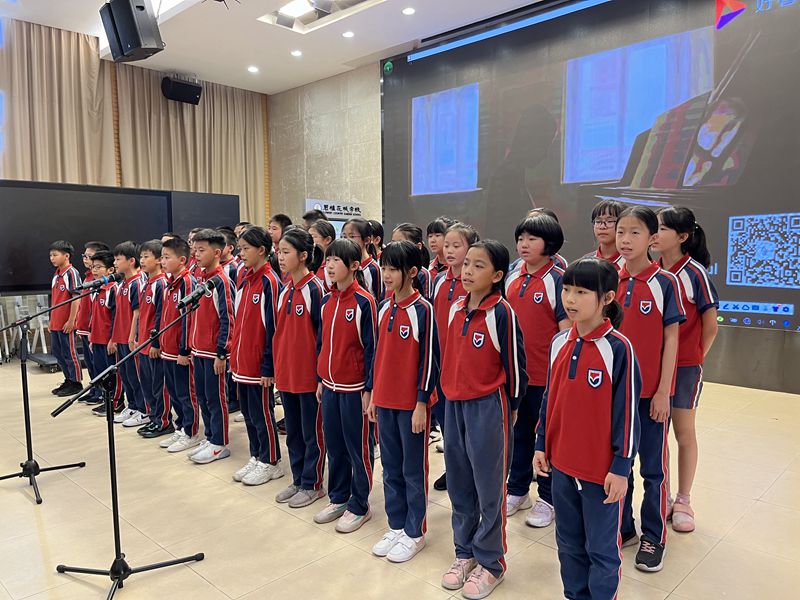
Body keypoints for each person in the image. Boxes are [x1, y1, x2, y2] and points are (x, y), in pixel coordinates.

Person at [534, 257, 642, 600]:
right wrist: (541, 444)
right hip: (561, 467)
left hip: (600, 474)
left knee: (602, 550)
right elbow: (549, 399)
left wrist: (621, 468)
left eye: (581, 292)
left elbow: (627, 415)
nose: (570, 299)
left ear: (607, 297)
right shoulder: (559, 342)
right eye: (567, 289)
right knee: (568, 544)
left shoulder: (619, 348)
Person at [439, 240, 527, 599]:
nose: (468, 271)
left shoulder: (501, 312)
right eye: (467, 264)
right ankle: (465, 552)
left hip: (488, 407)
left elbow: (515, 366)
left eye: (479, 266)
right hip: (454, 405)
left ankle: (491, 562)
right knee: (459, 483)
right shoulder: (455, 308)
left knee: (489, 487)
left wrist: (512, 406)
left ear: (497, 275)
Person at [616, 206, 685, 572]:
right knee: (619, 464)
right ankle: (624, 527)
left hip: (650, 396)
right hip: (616, 397)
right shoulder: (608, 277)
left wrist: (663, 392)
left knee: (653, 470)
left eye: (635, 233)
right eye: (621, 232)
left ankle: (654, 535)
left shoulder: (665, 283)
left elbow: (672, 339)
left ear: (651, 238)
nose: (625, 240)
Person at [367, 240, 440, 563]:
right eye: (384, 268)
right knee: (391, 468)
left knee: (413, 470)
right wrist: (373, 393)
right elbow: (377, 355)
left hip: (411, 406)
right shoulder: (384, 307)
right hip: (385, 401)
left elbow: (429, 361)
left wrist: (422, 403)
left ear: (411, 272)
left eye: (393, 269)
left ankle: (415, 531)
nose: (386, 275)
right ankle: (396, 525)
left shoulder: (424, 310)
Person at [653, 206, 718, 533]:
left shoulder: (695, 273)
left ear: (682, 236)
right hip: (654, 368)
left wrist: (694, 357)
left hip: (686, 368)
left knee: (684, 432)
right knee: (657, 434)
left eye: (662, 228)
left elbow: (710, 325)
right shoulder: (652, 271)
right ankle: (662, 495)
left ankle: (683, 499)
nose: (655, 233)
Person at [504, 215, 570, 528]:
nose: (524, 245)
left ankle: (548, 497)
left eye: (532, 239)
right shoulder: (512, 275)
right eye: (521, 239)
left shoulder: (558, 279)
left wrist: (562, 374)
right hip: (517, 375)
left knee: (547, 439)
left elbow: (566, 330)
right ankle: (518, 490)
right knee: (518, 434)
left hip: (547, 376)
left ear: (549, 243)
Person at [313, 238, 377, 534]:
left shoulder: (364, 302)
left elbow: (372, 349)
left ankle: (360, 504)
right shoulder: (327, 301)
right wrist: (320, 379)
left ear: (353, 266)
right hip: (329, 387)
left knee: (357, 448)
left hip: (355, 390)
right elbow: (322, 343)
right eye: (327, 260)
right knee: (334, 446)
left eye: (336, 260)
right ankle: (338, 497)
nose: (329, 265)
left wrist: (369, 389)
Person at [272, 228, 327, 508]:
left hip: (308, 377)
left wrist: (319, 377)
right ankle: (297, 479)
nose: (280, 257)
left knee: (311, 432)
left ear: (303, 255)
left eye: (286, 252)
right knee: (293, 432)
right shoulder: (284, 290)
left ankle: (312, 483)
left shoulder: (315, 290)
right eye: (279, 252)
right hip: (287, 374)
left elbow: (322, 338)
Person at [229, 226, 284, 486]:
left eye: (245, 249)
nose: (241, 254)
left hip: (258, 364)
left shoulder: (269, 282)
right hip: (241, 361)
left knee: (263, 414)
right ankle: (256, 455)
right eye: (239, 249)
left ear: (262, 250)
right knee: (249, 415)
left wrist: (268, 366)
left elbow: (273, 328)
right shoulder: (245, 279)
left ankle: (271, 461)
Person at [430, 222, 479, 491]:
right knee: (447, 423)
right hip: (441, 364)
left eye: (456, 246)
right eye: (446, 245)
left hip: (466, 367)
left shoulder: (475, 283)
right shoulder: (439, 280)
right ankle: (454, 470)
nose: (449, 250)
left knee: (467, 427)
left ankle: (471, 472)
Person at [187, 229, 236, 464]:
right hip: (198, 350)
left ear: (217, 253)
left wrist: (222, 352)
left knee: (216, 398)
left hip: (213, 352)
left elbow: (228, 319)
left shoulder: (221, 281)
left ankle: (219, 442)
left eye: (201, 250)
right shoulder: (201, 279)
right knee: (203, 397)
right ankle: (209, 437)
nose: (196, 254)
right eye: (194, 250)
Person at [158, 237, 202, 453]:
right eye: (162, 257)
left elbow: (188, 318)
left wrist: (184, 349)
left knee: (185, 392)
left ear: (182, 260)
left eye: (167, 257)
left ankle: (191, 432)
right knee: (174, 392)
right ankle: (181, 427)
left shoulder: (187, 282)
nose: (162, 261)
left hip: (180, 351)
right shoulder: (169, 282)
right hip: (167, 349)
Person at [135, 240, 172, 439]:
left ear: (158, 260)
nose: (142, 260)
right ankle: (154, 418)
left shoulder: (161, 283)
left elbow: (160, 315)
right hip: (142, 343)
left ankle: (163, 421)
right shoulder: (146, 283)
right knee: (147, 385)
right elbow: (142, 314)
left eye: (146, 256)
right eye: (141, 256)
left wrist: (156, 342)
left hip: (153, 345)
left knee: (159, 386)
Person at [109, 241, 148, 427]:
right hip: (121, 337)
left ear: (131, 261)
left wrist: (132, 336)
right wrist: (115, 337)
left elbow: (137, 313)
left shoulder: (137, 283)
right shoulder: (122, 283)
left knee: (136, 375)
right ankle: (132, 405)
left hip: (130, 338)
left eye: (118, 259)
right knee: (126, 375)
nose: (114, 263)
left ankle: (143, 409)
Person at [87, 251, 125, 416]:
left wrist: (113, 339)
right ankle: (105, 400)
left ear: (110, 270)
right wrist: (91, 334)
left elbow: (116, 316)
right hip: (97, 339)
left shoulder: (113, 289)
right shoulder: (96, 289)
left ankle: (116, 403)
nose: (94, 271)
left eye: (98, 267)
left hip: (108, 341)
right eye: (93, 267)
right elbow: (95, 314)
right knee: (101, 372)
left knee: (112, 374)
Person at [75, 241, 109, 403]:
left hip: (95, 331)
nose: (85, 259)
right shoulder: (88, 277)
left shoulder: (102, 282)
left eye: (89, 256)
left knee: (99, 365)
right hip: (85, 328)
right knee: (90, 364)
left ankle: (103, 393)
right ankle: (94, 389)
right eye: (84, 256)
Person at [48, 240, 83, 397]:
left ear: (66, 256)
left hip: (66, 323)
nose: (52, 258)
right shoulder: (56, 275)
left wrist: (71, 320)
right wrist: (51, 320)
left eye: (55, 255)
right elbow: (55, 300)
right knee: (58, 352)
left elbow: (76, 297)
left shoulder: (71, 273)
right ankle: (68, 379)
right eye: (50, 255)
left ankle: (76, 382)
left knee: (70, 352)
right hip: (56, 322)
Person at [342, 217, 383, 302]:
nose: (346, 241)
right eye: (344, 237)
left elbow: (378, 300)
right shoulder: (343, 265)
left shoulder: (374, 269)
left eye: (352, 236)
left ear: (367, 240)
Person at [391, 223, 433, 298]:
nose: (396, 248)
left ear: (418, 246)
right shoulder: (388, 270)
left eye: (401, 243)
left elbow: (424, 302)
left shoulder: (422, 274)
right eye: (393, 243)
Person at [585, 200, 626, 271]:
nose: (602, 227)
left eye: (609, 221)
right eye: (598, 221)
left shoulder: (632, 262)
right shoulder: (585, 262)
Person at [309, 219, 335, 292]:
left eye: (313, 237)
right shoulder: (313, 262)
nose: (309, 240)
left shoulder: (334, 265)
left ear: (327, 240)